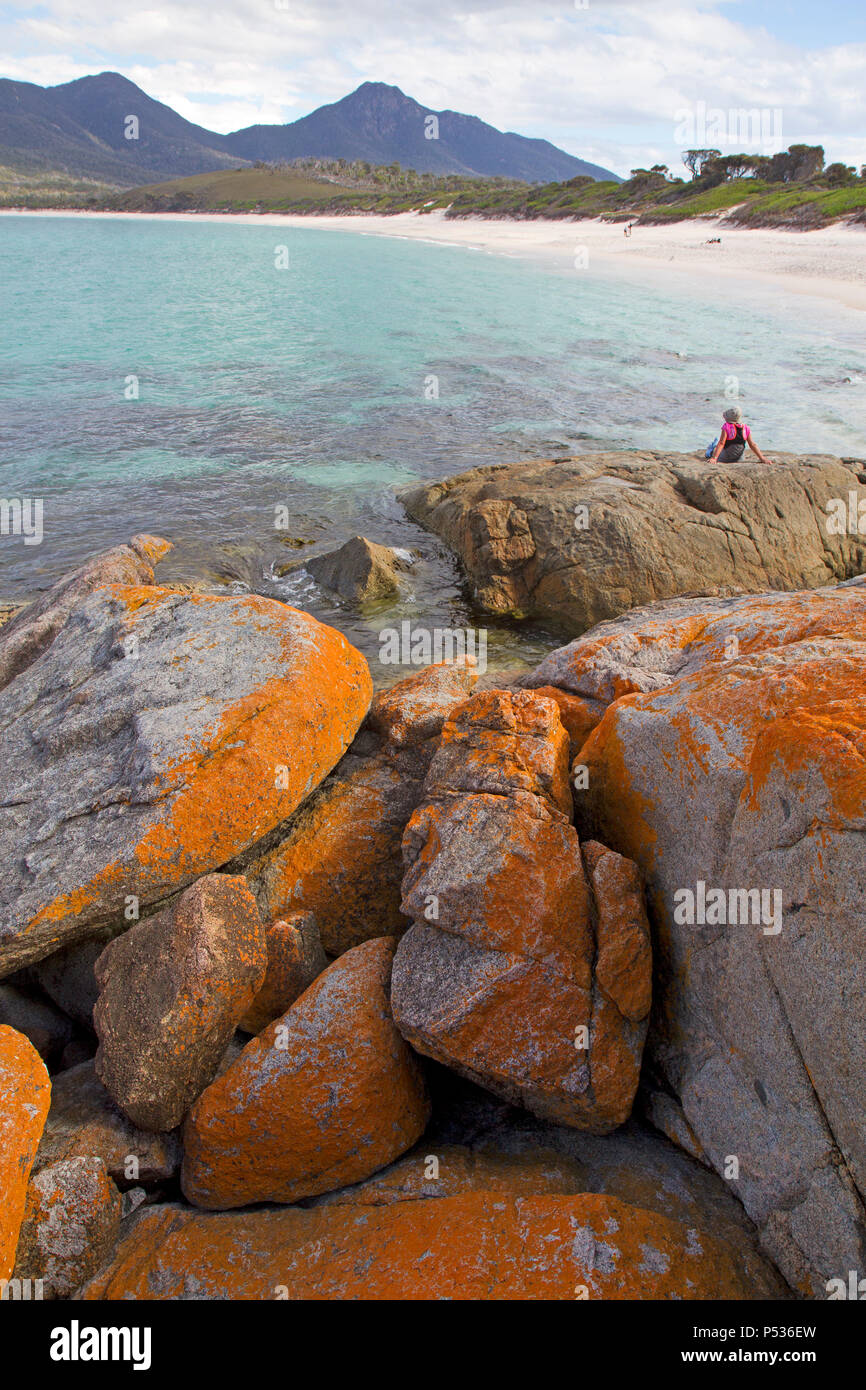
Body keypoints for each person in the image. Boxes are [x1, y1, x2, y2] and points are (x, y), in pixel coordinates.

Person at [705, 406, 773, 464]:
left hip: (726, 458)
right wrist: (762, 458)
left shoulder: (726, 427)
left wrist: (714, 458)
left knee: (713, 450)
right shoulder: (745, 428)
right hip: (739, 458)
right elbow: (752, 444)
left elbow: (722, 443)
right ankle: (714, 444)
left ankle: (711, 448)